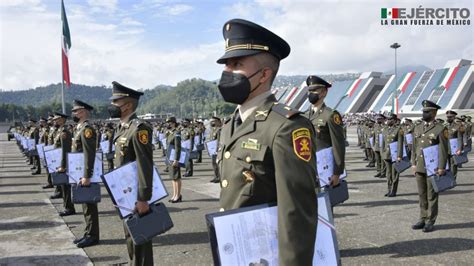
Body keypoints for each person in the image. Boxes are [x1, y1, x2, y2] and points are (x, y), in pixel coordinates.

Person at [216, 18, 318, 264]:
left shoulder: (286, 126)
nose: (226, 72)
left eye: (237, 64)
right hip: (239, 251)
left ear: (264, 75)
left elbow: (296, 213)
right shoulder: (231, 124)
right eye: (226, 65)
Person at [109, 81, 154, 265]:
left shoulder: (139, 128)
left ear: (127, 105)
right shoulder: (122, 128)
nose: (112, 106)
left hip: (135, 194)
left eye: (115, 102)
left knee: (140, 237)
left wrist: (143, 198)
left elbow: (145, 164)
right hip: (124, 191)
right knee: (130, 234)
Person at [411, 100, 448, 233]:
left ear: (434, 113)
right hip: (420, 166)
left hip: (432, 167)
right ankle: (422, 217)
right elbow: (415, 147)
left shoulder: (440, 129)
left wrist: (441, 167)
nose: (424, 114)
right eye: (423, 111)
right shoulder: (418, 127)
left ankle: (430, 220)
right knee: (422, 194)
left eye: (427, 112)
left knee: (431, 195)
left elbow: (443, 150)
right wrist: (413, 163)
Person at [305, 75, 345, 188]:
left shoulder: (331, 115)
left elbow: (338, 145)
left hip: (324, 170)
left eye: (314, 90)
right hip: (308, 170)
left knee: (325, 203)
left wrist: (337, 173)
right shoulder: (303, 116)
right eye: (309, 90)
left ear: (324, 92)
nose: (310, 93)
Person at [70, 100, 100, 248]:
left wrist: (87, 175)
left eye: (76, 111)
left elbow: (89, 154)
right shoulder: (80, 128)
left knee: (89, 205)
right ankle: (88, 232)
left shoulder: (87, 129)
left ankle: (93, 236)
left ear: (82, 111)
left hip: (85, 173)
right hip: (80, 172)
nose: (74, 114)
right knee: (85, 204)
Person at [53, 112, 76, 217]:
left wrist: (63, 165)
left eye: (57, 119)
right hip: (60, 161)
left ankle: (69, 208)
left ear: (62, 119)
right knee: (63, 186)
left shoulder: (64, 132)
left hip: (65, 163)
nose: (55, 121)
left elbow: (65, 150)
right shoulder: (60, 131)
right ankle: (67, 206)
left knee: (66, 187)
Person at [381, 114, 403, 197]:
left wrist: (399, 155)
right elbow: (383, 143)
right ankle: (389, 189)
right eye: (388, 119)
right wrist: (382, 153)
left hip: (394, 155)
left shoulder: (398, 129)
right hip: (387, 154)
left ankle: (393, 191)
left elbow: (400, 143)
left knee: (395, 174)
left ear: (394, 120)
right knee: (388, 174)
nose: (388, 121)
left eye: (390, 119)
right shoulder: (385, 129)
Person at [165, 117, 183, 203]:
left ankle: (178, 195)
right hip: (169, 157)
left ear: (174, 123)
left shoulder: (176, 133)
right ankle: (174, 194)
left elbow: (177, 147)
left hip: (174, 158)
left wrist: (176, 159)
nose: (168, 124)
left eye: (169, 123)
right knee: (173, 178)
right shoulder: (169, 133)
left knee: (177, 177)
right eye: (167, 123)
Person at [445, 110, 463, 180]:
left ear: (454, 117)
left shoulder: (458, 126)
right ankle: (447, 178)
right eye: (448, 117)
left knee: (453, 164)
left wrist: (459, 148)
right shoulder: (444, 126)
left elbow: (459, 138)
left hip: (454, 148)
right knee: (446, 164)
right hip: (445, 147)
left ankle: (453, 179)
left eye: (450, 117)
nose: (449, 118)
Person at [209, 116, 222, 183]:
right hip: (212, 149)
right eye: (211, 121)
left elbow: (219, 140)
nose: (212, 123)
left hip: (217, 149)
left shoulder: (219, 129)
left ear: (217, 122)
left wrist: (218, 148)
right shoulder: (212, 130)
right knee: (213, 163)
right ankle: (216, 176)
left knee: (217, 163)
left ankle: (219, 177)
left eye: (213, 121)